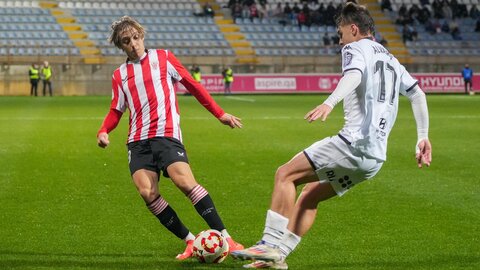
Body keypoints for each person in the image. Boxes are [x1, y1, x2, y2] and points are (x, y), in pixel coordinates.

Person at [231, 3, 432, 269]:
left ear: (353, 29)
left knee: (285, 174)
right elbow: (418, 94)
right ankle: (278, 257)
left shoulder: (354, 47)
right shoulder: (392, 59)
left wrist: (330, 102)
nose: (340, 41)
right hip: (374, 161)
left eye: (340, 34)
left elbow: (354, 75)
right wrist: (422, 136)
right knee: (309, 196)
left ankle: (268, 244)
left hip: (351, 145)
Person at [96, 16, 244, 261]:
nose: (133, 44)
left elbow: (193, 85)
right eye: (126, 41)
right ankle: (189, 241)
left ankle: (227, 238)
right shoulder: (119, 75)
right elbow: (116, 109)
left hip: (166, 134)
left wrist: (220, 114)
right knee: (147, 193)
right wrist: (103, 131)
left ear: (142, 36)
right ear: (120, 46)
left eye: (135, 37)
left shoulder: (163, 58)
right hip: (137, 140)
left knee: (185, 182)